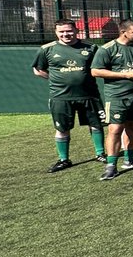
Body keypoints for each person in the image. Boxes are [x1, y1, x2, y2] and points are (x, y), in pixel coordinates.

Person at [32, 18, 107, 172]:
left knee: (96, 125)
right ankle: (64, 159)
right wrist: (55, 79)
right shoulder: (46, 49)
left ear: (76, 31)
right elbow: (37, 70)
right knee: (62, 129)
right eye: (61, 31)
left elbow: (99, 67)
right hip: (61, 97)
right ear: (56, 32)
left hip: (89, 95)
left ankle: (100, 154)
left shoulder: (91, 47)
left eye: (69, 31)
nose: (66, 34)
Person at [91, 18, 133, 180]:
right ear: (123, 32)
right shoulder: (107, 49)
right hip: (116, 96)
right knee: (115, 129)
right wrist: (124, 75)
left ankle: (131, 158)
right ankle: (111, 166)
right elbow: (95, 71)